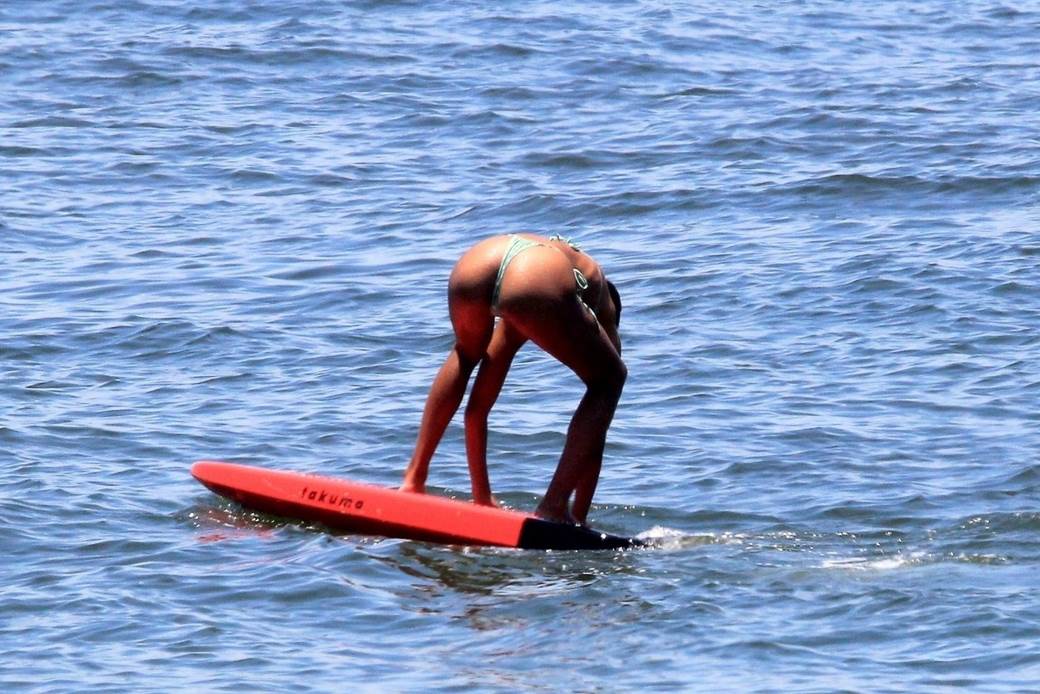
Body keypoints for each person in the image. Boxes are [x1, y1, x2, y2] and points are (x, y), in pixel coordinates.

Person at [400, 233, 625, 525]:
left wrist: (482, 498)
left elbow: (477, 409)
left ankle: (414, 479)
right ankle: (554, 507)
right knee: (610, 382)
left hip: (477, 262)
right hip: (536, 273)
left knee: (465, 355)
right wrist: (579, 519)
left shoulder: (519, 318)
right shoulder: (604, 305)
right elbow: (595, 434)